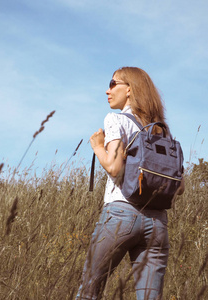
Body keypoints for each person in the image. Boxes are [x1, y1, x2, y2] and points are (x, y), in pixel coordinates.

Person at [76, 67, 185, 300]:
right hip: (157, 224)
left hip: (121, 215)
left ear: (129, 90)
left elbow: (114, 168)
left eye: (113, 83)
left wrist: (97, 145)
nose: (108, 90)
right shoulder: (161, 131)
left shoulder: (116, 119)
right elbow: (180, 187)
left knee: (89, 293)